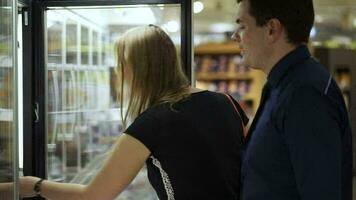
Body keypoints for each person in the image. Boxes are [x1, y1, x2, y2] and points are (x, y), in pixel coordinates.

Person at [17, 25, 248, 200]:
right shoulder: (226, 101)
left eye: (121, 65)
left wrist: (34, 185)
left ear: (136, 70)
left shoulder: (153, 122)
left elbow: (94, 195)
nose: (119, 73)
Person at [231, 0, 353, 199]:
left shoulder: (306, 94)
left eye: (242, 26)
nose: (235, 36)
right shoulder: (282, 86)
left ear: (271, 29)